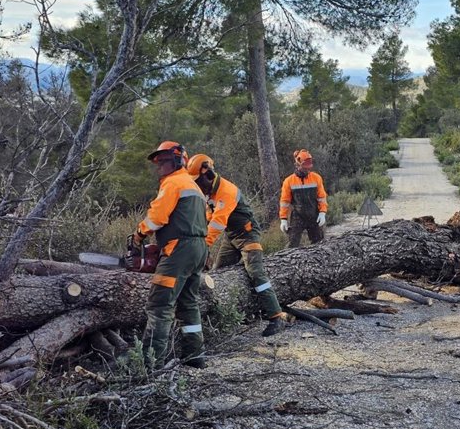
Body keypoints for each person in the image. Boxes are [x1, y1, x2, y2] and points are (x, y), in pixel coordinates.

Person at [187, 154, 289, 337]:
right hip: (231, 236)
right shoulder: (209, 192)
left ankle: (277, 316)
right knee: (219, 272)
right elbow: (209, 219)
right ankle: (226, 316)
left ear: (207, 174)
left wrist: (202, 246)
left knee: (256, 273)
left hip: (247, 234)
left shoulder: (226, 191)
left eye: (197, 181)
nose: (196, 185)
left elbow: (217, 223)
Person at [131, 141, 209, 369]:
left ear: (177, 160)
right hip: (197, 248)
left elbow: (157, 218)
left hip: (179, 250)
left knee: (159, 305)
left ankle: (150, 363)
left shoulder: (173, 183)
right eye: (158, 162)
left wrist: (139, 234)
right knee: (188, 304)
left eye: (163, 161)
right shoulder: (194, 186)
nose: (159, 167)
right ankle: (195, 356)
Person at [279, 149, 328, 248]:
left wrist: (322, 212)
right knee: (292, 244)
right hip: (298, 216)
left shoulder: (316, 178)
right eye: (304, 168)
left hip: (314, 214)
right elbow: (285, 201)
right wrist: (283, 219)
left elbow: (321, 197)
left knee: (319, 245)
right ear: (297, 165)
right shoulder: (289, 181)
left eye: (308, 168)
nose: (307, 170)